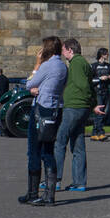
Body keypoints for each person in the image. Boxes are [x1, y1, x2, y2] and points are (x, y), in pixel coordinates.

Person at [21, 37, 67, 206]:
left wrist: (37, 64)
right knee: (48, 150)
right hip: (56, 110)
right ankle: (49, 195)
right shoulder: (62, 66)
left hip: (41, 109)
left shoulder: (47, 65)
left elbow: (29, 84)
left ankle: (33, 193)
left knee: (34, 150)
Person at [55, 39, 95, 192]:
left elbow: (84, 85)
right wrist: (91, 104)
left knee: (60, 142)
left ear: (70, 50)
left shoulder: (77, 63)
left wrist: (86, 99)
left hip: (74, 107)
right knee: (78, 145)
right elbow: (91, 85)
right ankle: (79, 182)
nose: (62, 53)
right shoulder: (84, 63)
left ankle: (55, 180)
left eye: (64, 50)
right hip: (82, 108)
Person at [90, 49, 110, 141]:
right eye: (106, 53)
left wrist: (109, 78)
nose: (108, 55)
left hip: (105, 91)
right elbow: (90, 80)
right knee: (100, 112)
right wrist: (100, 78)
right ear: (102, 55)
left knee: (102, 112)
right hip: (97, 92)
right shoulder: (94, 66)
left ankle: (94, 133)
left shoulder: (108, 66)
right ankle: (100, 132)